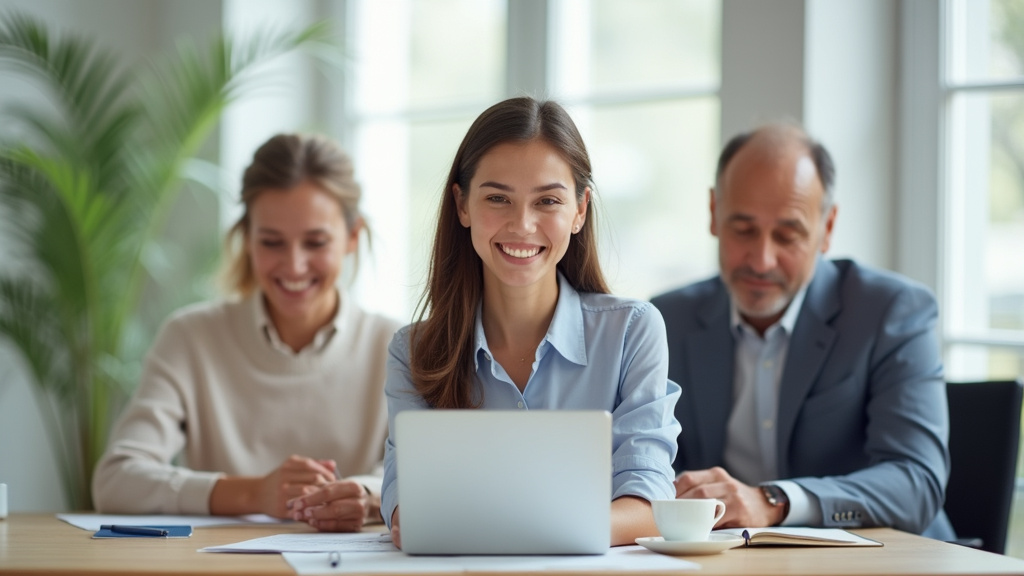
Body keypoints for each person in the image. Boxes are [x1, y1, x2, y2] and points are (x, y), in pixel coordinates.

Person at [296, 96, 680, 548]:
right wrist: (550, 525)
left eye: (548, 201)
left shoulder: (632, 332)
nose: (522, 224)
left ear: (579, 211)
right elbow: (408, 511)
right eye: (497, 198)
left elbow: (649, 502)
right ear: (462, 205)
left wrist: (504, 526)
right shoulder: (415, 352)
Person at [650, 123, 954, 539]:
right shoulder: (667, 319)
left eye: (787, 235)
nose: (761, 259)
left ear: (827, 228)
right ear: (713, 213)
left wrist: (774, 501)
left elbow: (916, 482)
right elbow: (645, 466)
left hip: (884, 559)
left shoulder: (891, 312)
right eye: (743, 229)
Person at [92, 133, 400, 532]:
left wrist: (365, 496)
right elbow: (117, 479)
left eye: (316, 242)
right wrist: (253, 493)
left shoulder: (397, 346)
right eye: (272, 242)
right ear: (246, 239)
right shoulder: (191, 338)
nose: (293, 265)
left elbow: (423, 477)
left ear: (352, 237)